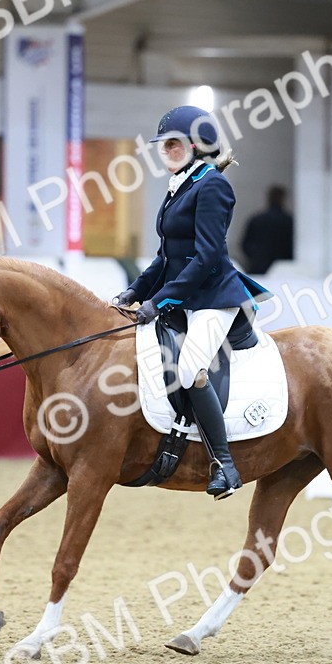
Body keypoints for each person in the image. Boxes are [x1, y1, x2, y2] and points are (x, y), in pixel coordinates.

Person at [113, 105, 273, 500]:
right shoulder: (180, 186)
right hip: (186, 296)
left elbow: (205, 259)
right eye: (163, 145)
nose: (165, 151)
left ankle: (224, 464)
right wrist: (134, 292)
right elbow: (166, 258)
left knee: (189, 369)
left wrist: (161, 300)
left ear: (197, 146)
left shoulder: (213, 186)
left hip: (214, 298)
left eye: (173, 144)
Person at [240, 185, 294, 275]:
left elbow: (245, 244)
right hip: (282, 268)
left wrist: (255, 256)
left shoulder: (257, 219)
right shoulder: (288, 221)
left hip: (258, 266)